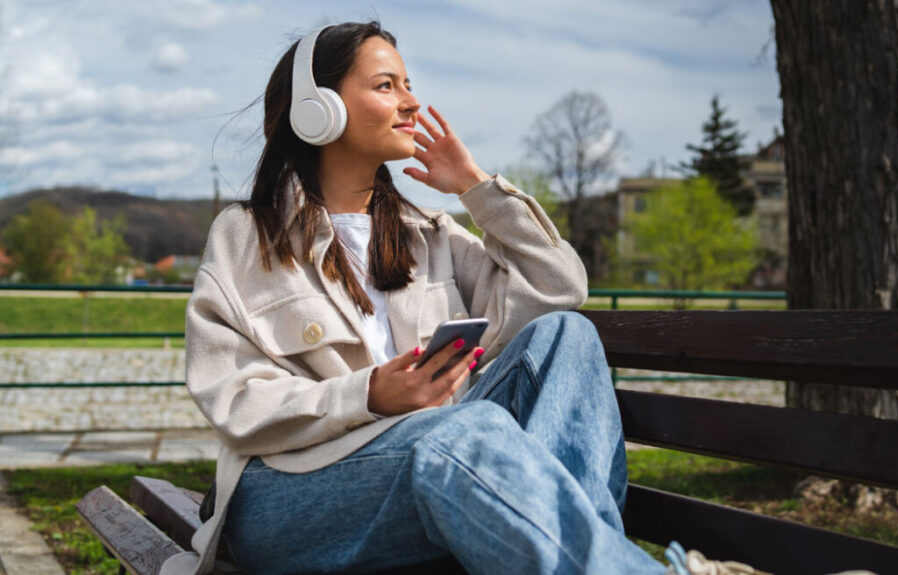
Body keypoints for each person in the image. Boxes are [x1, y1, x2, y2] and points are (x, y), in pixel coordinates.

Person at [161, 21, 754, 575]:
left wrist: (477, 189)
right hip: (294, 492)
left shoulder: (429, 232)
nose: (411, 102)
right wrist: (369, 395)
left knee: (567, 336)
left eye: (409, 85)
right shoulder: (247, 236)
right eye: (386, 85)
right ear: (320, 110)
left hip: (434, 471)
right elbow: (235, 402)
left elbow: (558, 288)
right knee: (458, 433)